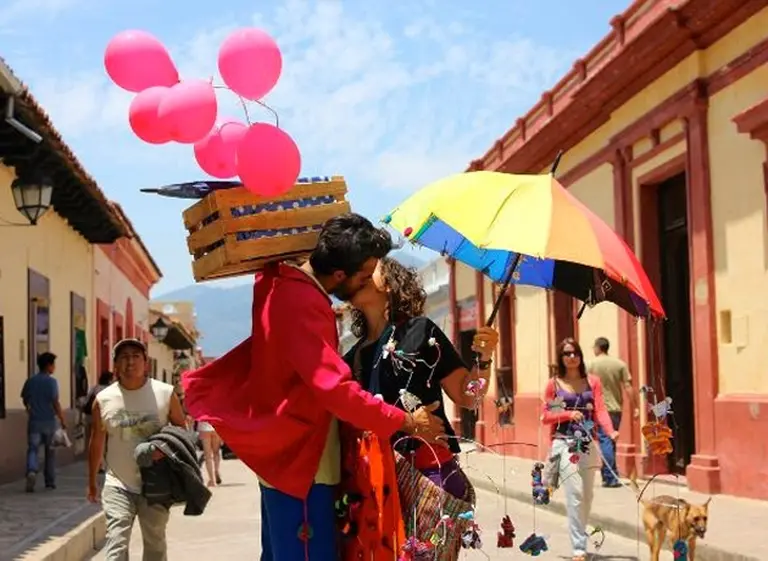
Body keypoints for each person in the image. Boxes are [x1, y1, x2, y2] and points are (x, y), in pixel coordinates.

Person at [182, 213, 446, 561]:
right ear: (339, 275)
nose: (367, 281)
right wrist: (406, 421)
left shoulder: (276, 280)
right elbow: (334, 389)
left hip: (284, 456)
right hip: (303, 462)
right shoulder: (303, 302)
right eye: (363, 275)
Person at [341, 257, 499, 559]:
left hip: (431, 475)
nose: (359, 274)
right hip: (378, 481)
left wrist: (485, 359)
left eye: (369, 268)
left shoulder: (419, 331)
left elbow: (469, 397)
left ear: (389, 284)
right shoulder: (352, 359)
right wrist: (405, 421)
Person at [88, 338, 187, 561]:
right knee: (116, 542)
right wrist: (92, 481)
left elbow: (183, 429)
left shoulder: (165, 393)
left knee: (155, 544)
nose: (130, 362)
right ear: (115, 364)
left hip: (156, 483)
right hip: (117, 483)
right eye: (124, 357)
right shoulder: (103, 400)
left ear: (145, 363)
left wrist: (166, 449)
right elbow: (96, 441)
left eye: (135, 356)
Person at [541, 338, 618, 561]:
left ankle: (580, 535)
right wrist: (567, 414)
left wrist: (610, 431)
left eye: (575, 352)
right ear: (561, 357)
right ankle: (578, 548)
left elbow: (601, 410)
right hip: (564, 442)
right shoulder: (555, 385)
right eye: (567, 353)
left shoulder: (592, 382)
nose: (571, 356)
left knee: (587, 496)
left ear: (581, 355)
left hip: (587, 444)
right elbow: (547, 416)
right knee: (574, 493)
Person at [588, 336, 636, 488]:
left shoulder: (590, 364)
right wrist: (635, 406)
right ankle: (609, 474)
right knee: (610, 441)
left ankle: (610, 478)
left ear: (598, 348)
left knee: (605, 441)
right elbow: (628, 386)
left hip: (600, 409)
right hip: (616, 409)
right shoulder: (619, 364)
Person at [21, 352, 67, 492]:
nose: (54, 367)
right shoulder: (52, 382)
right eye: (53, 364)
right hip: (49, 422)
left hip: (35, 421)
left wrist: (29, 409)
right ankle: (50, 480)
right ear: (49, 366)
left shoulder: (31, 381)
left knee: (33, 449)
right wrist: (62, 418)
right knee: (50, 452)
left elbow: (25, 398)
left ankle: (31, 471)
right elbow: (55, 402)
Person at [197, 419, 222, 487]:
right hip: (216, 425)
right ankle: (216, 471)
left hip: (204, 427)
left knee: (208, 455)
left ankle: (212, 480)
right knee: (216, 452)